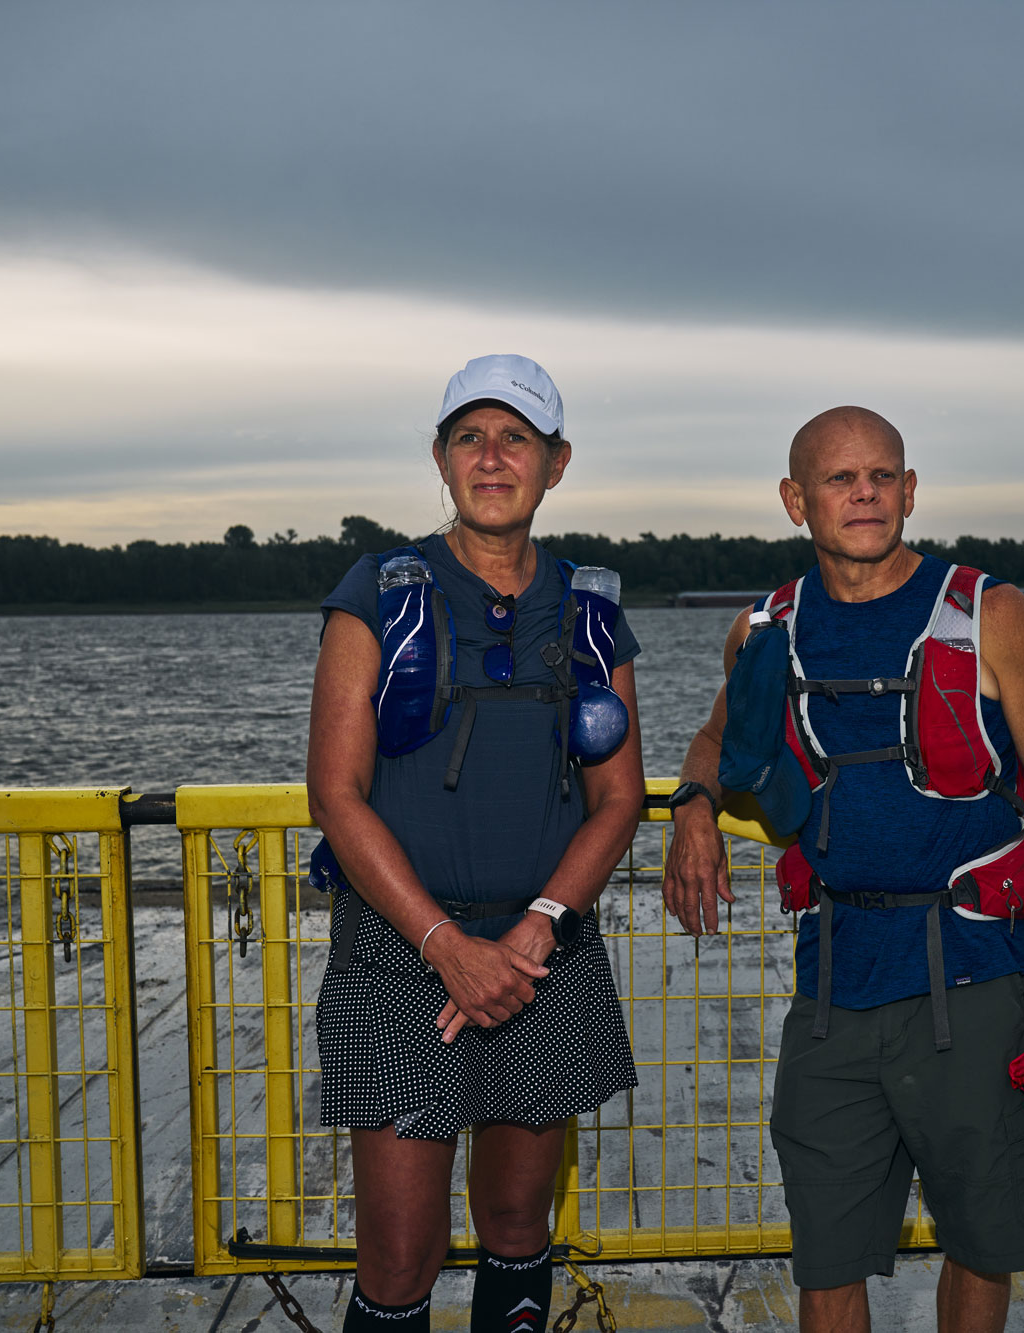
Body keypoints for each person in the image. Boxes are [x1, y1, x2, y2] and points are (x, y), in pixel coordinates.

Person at [660, 406, 1024, 1333]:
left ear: (910, 492)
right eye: (840, 478)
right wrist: (693, 806)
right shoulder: (768, 630)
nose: (864, 492)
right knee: (827, 1253)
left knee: (982, 1242)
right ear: (796, 500)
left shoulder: (990, 613)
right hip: (832, 987)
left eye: (882, 476)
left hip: (973, 979)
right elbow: (719, 733)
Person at [308, 355, 645, 1333]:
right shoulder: (376, 591)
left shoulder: (589, 614)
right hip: (402, 960)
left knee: (512, 1220)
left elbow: (616, 797)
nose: (492, 457)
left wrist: (539, 925)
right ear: (439, 457)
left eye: (517, 439)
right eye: (470, 437)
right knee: (402, 1254)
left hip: (543, 960)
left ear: (556, 462)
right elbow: (334, 793)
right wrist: (445, 947)